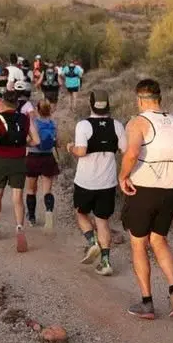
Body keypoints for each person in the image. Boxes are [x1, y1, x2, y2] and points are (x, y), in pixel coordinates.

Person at [118, 78, 173, 320]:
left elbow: (132, 153)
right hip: (171, 189)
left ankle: (147, 303)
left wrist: (123, 176)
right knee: (159, 239)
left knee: (138, 243)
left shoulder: (138, 122)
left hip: (144, 187)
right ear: (159, 99)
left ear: (140, 100)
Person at [66, 89, 127, 277]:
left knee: (81, 213)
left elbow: (82, 151)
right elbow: (125, 150)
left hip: (85, 181)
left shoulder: (83, 125)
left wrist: (71, 148)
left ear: (90, 104)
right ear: (107, 104)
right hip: (107, 182)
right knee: (103, 221)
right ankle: (106, 262)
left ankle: (92, 243)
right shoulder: (117, 125)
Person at [0, 90, 40, 252]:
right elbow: (36, 140)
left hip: (1, 160)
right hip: (19, 160)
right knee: (17, 197)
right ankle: (20, 228)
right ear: (17, 104)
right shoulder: (25, 119)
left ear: (2, 103)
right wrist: (25, 144)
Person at [25, 99, 60, 229]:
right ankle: (49, 212)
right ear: (49, 110)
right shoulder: (53, 124)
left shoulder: (33, 123)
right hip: (48, 158)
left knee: (31, 190)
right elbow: (58, 143)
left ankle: (32, 217)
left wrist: (27, 144)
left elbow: (29, 140)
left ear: (37, 110)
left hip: (33, 158)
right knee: (47, 190)